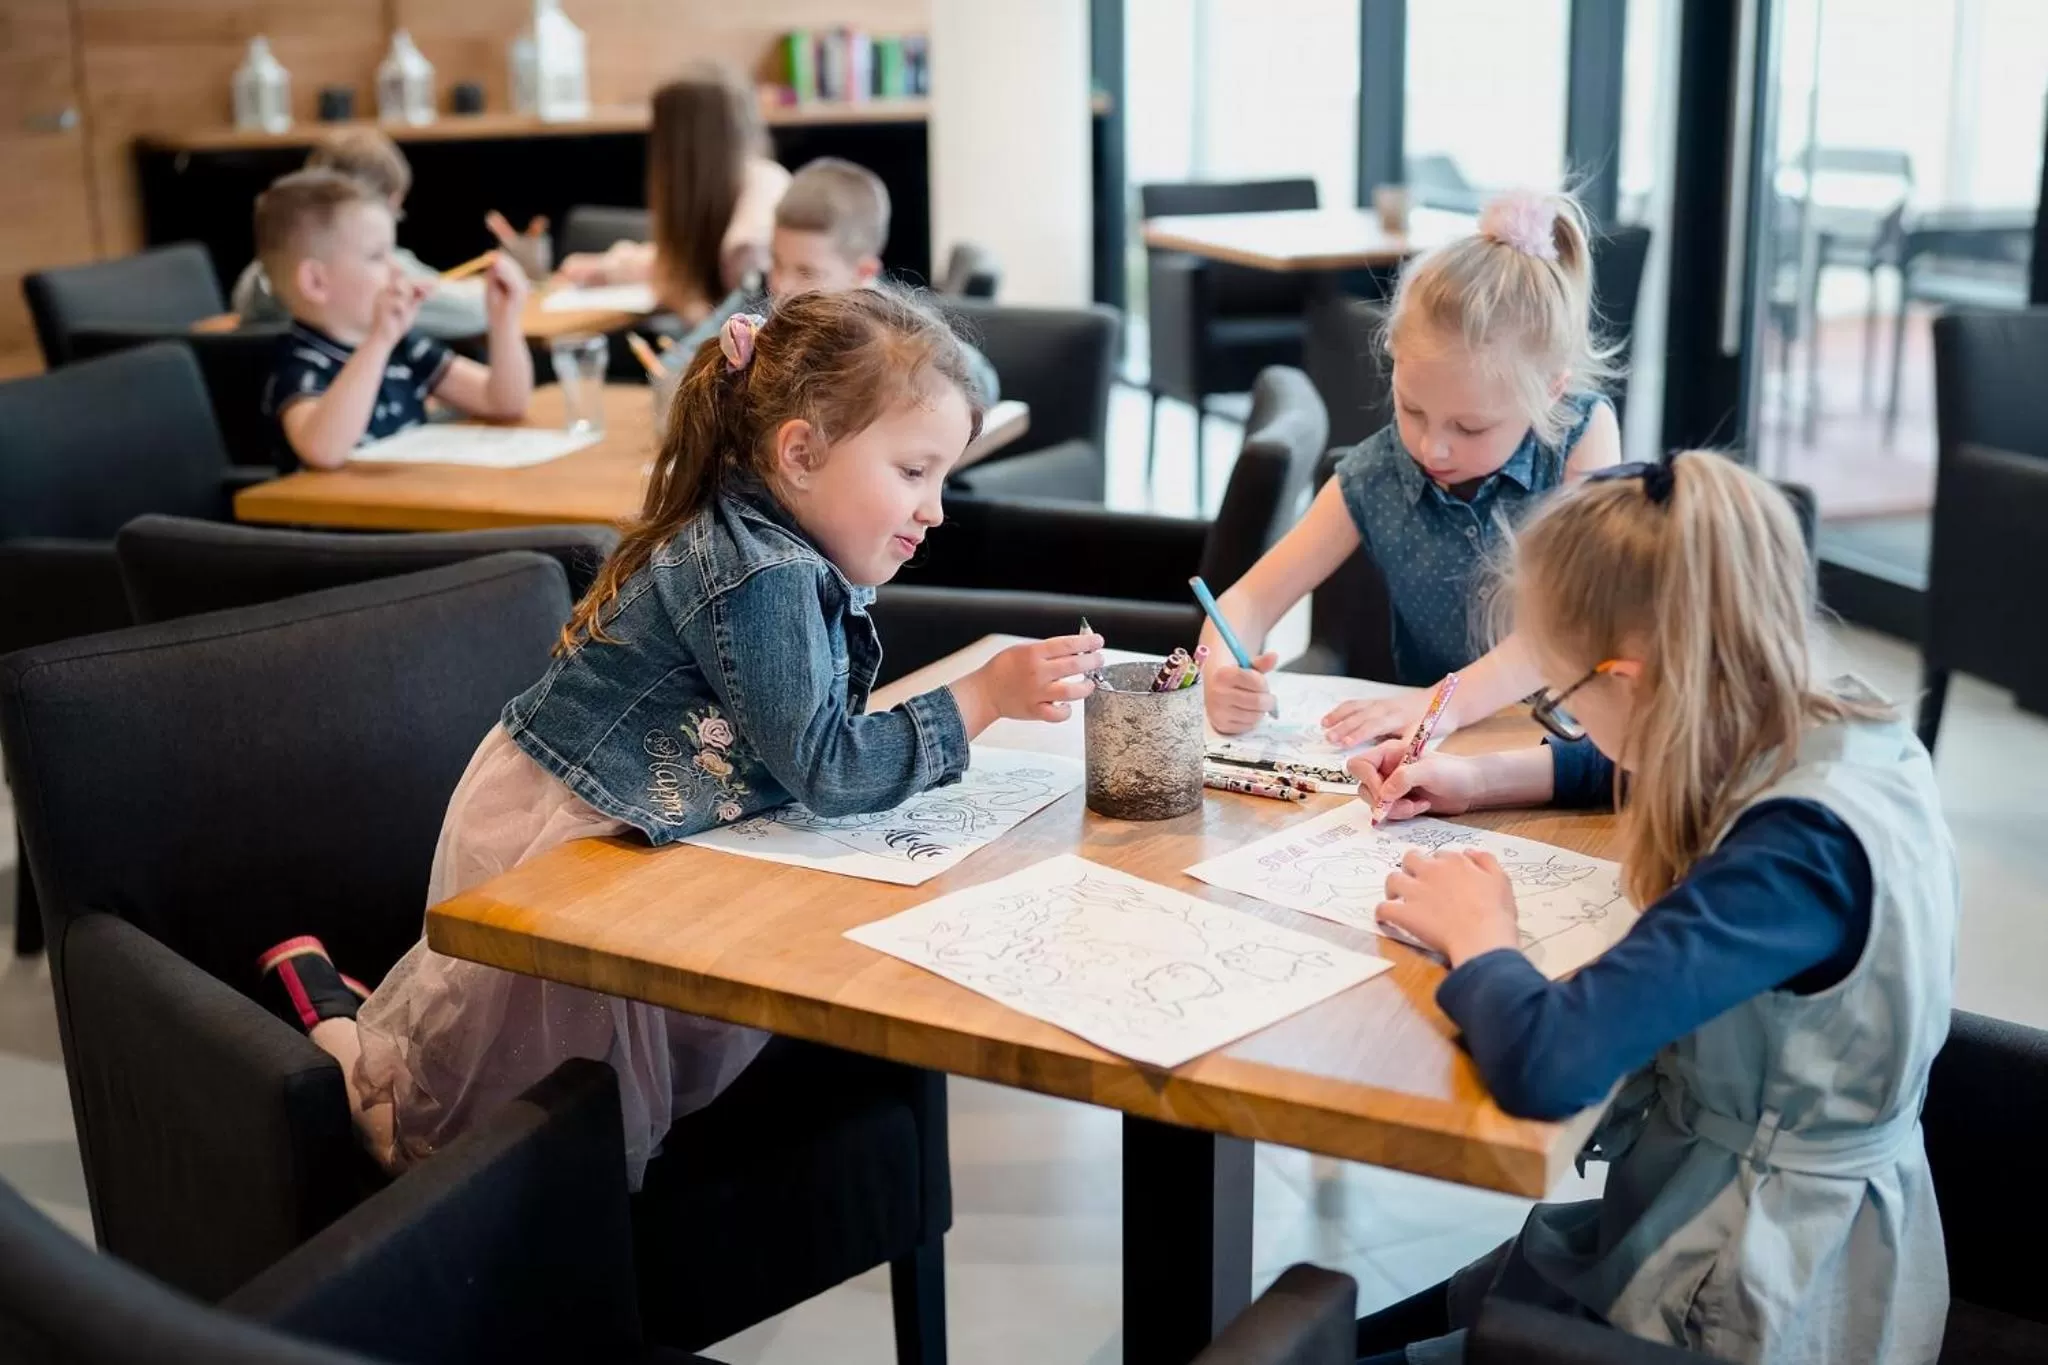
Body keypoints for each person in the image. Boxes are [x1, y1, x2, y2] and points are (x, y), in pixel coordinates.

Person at [251, 287, 1104, 1186]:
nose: (934, 508)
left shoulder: (775, 533)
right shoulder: (764, 574)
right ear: (801, 452)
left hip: (625, 818)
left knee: (540, 1086)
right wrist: (981, 694)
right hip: (571, 839)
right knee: (451, 1129)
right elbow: (826, 765)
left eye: (941, 478)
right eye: (912, 471)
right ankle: (334, 1032)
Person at [1349, 452, 1955, 1364]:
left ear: (1628, 679)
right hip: (1730, 1202)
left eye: (1561, 702)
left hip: (1763, 1289)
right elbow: (1646, 757)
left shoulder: (1794, 860)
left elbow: (1550, 1063)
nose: (1574, 728)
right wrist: (1477, 776)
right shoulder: (1817, 721)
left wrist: (1483, 939)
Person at [1201, 189, 1621, 747]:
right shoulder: (1375, 473)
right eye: (1412, 409)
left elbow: (1574, 621)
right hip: (1433, 751)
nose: (1433, 448)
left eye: (1470, 428)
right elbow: (1248, 599)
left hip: (1580, 749)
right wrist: (1220, 674)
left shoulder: (1583, 436)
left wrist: (1440, 702)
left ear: (1550, 392)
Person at [255, 170, 532, 471]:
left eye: (393, 253)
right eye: (376, 256)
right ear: (316, 282)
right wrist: (378, 342)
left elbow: (503, 401)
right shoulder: (298, 363)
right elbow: (324, 450)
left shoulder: (404, 346)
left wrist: (504, 322)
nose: (396, 270)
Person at [556, 65, 791, 326]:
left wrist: (683, 301)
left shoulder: (747, 247)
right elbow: (684, 262)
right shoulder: (752, 182)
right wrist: (606, 269)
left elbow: (727, 336)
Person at [768, 156, 999, 404]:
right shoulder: (768, 323)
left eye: (806, 273)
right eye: (776, 263)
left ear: (864, 272)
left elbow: (980, 381)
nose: (781, 285)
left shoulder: (902, 334)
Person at [233, 129, 489, 339]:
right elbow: (473, 311)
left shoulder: (262, 276)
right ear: (385, 204)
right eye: (395, 212)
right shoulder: (369, 277)